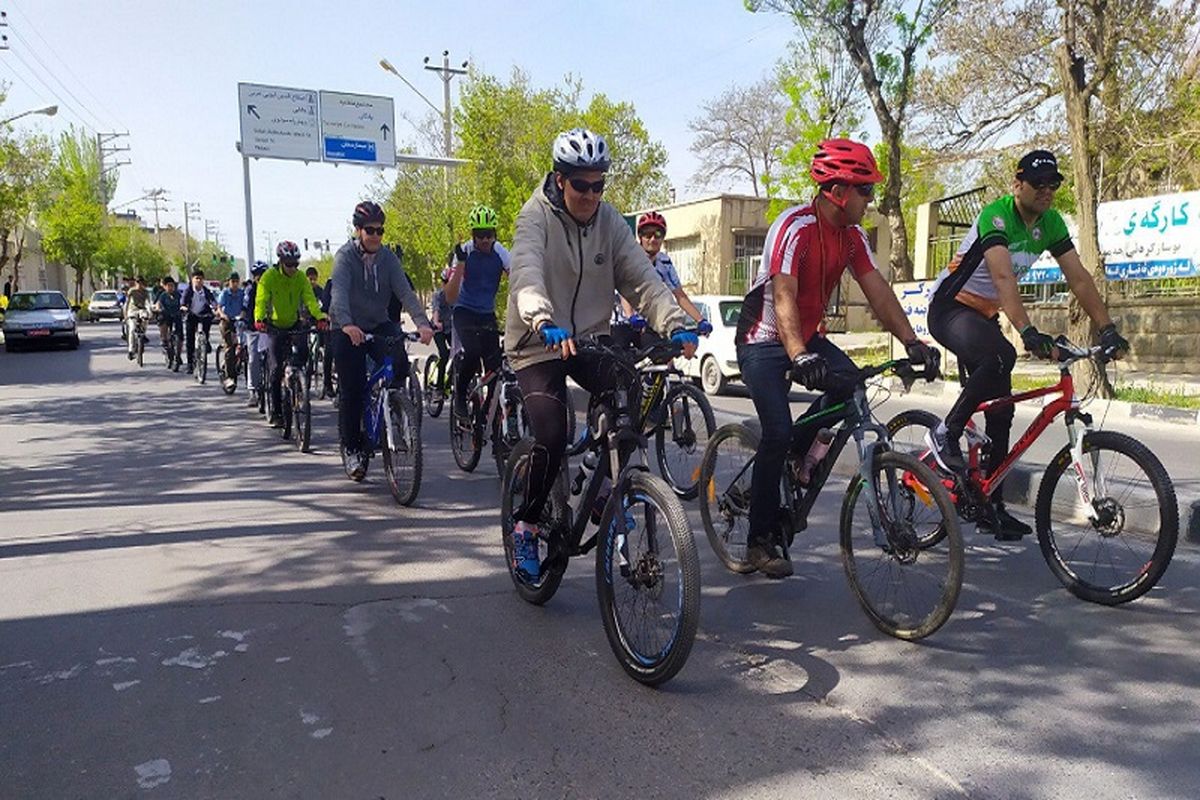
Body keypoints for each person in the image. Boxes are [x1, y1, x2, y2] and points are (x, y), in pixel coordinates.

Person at [734, 138, 938, 579]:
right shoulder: (794, 227)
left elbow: (877, 288)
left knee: (852, 384)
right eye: (864, 190)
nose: (870, 199)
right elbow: (784, 296)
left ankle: (798, 457)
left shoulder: (851, 237)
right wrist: (798, 355)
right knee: (776, 430)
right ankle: (758, 541)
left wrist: (912, 341)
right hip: (764, 340)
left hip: (806, 339)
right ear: (837, 192)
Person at [504, 128, 698, 580]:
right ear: (559, 179)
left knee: (633, 394)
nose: (591, 194)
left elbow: (642, 279)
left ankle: (600, 482)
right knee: (552, 435)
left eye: (599, 184)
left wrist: (675, 323)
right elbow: (526, 271)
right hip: (537, 342)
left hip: (587, 337)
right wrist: (540, 317)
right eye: (581, 185)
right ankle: (526, 524)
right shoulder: (534, 217)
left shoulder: (609, 222)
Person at [925, 149, 1129, 540]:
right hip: (950, 307)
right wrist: (1028, 330)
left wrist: (1107, 328)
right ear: (1017, 184)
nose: (1047, 191)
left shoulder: (1050, 222)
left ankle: (990, 506)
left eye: (1053, 184)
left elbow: (1080, 280)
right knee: (1001, 354)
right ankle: (946, 432)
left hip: (983, 316)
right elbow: (1003, 278)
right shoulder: (996, 215)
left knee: (1001, 413)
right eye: (1038, 184)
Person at [329, 202, 433, 479]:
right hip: (346, 327)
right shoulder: (344, 258)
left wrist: (423, 323)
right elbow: (338, 295)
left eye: (380, 231)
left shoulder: (388, 259)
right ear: (358, 230)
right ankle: (352, 449)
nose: (375, 236)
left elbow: (406, 293)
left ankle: (395, 406)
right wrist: (347, 323)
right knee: (351, 391)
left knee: (399, 362)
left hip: (377, 323)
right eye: (370, 231)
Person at [445, 204, 510, 419]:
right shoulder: (465, 252)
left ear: (495, 234)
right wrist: (461, 265)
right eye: (480, 235)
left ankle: (486, 414)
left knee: (495, 367)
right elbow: (450, 297)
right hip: (464, 311)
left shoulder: (500, 252)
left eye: (489, 235)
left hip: (487, 313)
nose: (485, 240)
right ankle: (460, 397)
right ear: (473, 235)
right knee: (472, 352)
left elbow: (517, 279)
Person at [254, 241, 327, 428]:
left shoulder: (301, 278)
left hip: (294, 323)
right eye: (289, 264)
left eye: (296, 263)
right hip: (274, 326)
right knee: (276, 367)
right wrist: (259, 318)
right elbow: (261, 300)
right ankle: (277, 411)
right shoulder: (269, 277)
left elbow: (310, 299)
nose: (294, 268)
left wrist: (319, 316)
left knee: (303, 355)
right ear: (280, 261)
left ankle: (297, 384)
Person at [616, 211, 714, 346]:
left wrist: (700, 320)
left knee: (667, 354)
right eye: (647, 234)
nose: (652, 239)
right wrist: (631, 316)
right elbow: (625, 291)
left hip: (652, 324)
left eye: (657, 235)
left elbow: (680, 295)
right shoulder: (631, 257)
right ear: (640, 237)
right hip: (624, 324)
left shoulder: (664, 262)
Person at [180, 269, 216, 374]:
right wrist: (183, 307)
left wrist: (215, 308)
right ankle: (190, 364)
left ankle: (206, 341)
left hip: (204, 314)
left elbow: (212, 301)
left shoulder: (206, 291)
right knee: (190, 339)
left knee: (208, 321)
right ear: (192, 280)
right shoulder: (188, 291)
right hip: (191, 314)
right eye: (196, 278)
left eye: (200, 279)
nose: (198, 281)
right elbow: (183, 302)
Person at [430, 273, 454, 398]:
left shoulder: (456, 296)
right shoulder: (438, 295)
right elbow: (436, 310)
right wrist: (436, 322)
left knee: (459, 354)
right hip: (438, 329)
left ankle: (449, 384)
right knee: (444, 354)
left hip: (451, 328)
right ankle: (438, 388)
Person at [153, 275, 183, 369]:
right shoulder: (163, 295)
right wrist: (158, 309)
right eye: (169, 286)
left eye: (172, 285)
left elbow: (183, 302)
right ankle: (164, 339)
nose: (171, 288)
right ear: (165, 286)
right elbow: (158, 304)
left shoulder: (178, 294)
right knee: (162, 320)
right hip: (166, 315)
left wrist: (184, 308)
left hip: (177, 315)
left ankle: (178, 355)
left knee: (180, 335)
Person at [124, 276, 153, 360]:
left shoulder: (145, 292)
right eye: (138, 282)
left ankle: (143, 334)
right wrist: (125, 314)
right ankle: (130, 350)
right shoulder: (132, 291)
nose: (139, 284)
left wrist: (150, 311)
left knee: (145, 318)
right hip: (132, 310)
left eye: (141, 282)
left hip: (142, 309)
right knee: (132, 329)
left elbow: (148, 302)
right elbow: (127, 302)